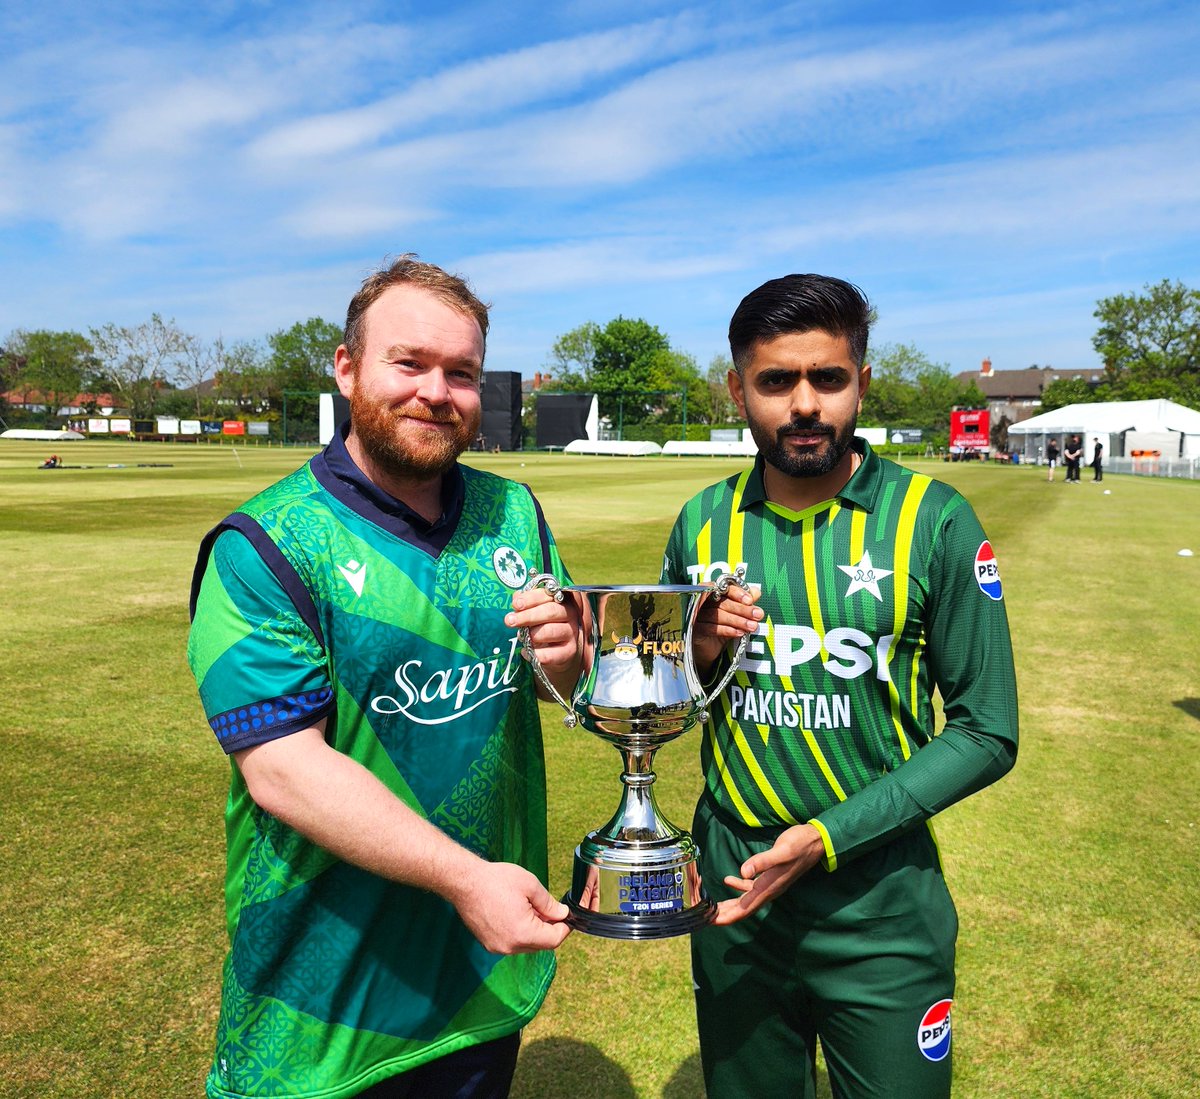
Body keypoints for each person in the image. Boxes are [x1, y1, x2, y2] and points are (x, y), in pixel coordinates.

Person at [187, 256, 581, 1099]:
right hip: (319, 1009)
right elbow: (284, 769)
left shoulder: (515, 514)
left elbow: (565, 684)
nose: (437, 391)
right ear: (347, 367)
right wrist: (467, 879)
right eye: (410, 362)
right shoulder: (265, 544)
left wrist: (567, 657)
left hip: (478, 980)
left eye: (462, 372)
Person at [660, 274, 1019, 1099]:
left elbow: (986, 729)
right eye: (776, 380)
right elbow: (667, 706)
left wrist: (827, 835)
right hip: (734, 892)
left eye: (828, 377)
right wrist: (700, 655)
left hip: (879, 901)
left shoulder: (935, 518)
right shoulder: (700, 523)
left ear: (863, 379)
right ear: (737, 389)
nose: (805, 404)